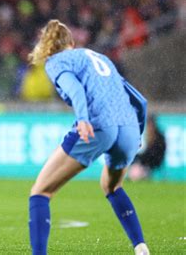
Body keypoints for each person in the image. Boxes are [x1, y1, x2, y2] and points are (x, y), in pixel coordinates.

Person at [27, 20, 149, 255]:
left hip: (97, 125)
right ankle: (140, 246)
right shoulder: (101, 58)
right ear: (72, 43)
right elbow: (139, 101)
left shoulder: (56, 61)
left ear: (46, 47)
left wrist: (82, 118)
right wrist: (138, 133)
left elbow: (75, 89)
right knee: (112, 186)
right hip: (129, 129)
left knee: (40, 192)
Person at [129, 114, 167, 181]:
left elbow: (155, 153)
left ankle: (142, 175)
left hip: (153, 160)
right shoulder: (151, 135)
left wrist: (141, 158)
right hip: (149, 159)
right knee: (136, 161)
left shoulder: (158, 137)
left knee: (137, 163)